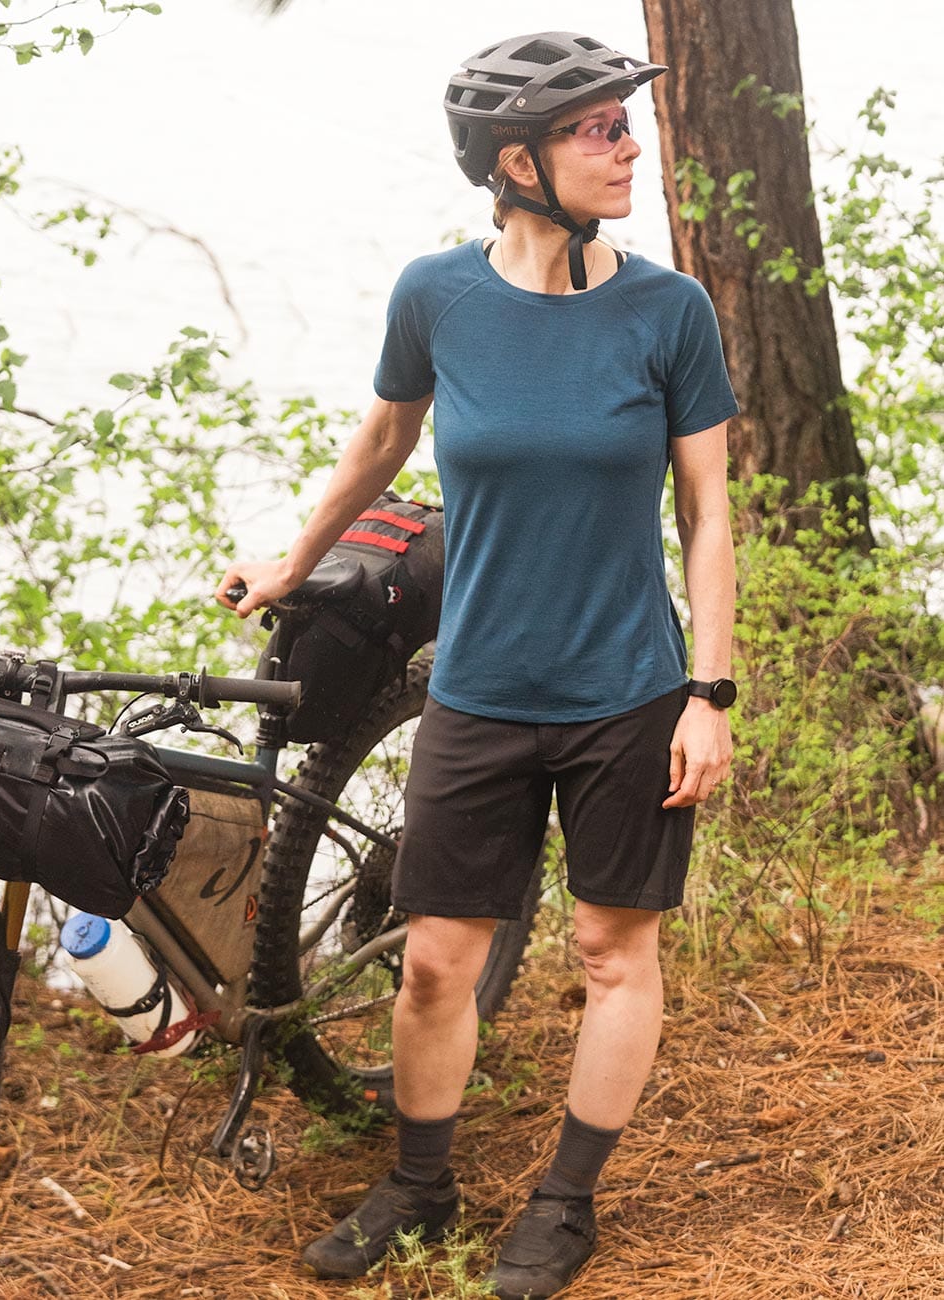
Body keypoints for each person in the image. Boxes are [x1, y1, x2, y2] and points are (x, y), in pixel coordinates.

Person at [217, 30, 738, 1300]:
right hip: (479, 689)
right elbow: (382, 441)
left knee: (613, 952)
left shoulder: (669, 311)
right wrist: (294, 560)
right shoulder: (437, 297)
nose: (629, 147)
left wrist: (709, 695)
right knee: (436, 961)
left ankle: (565, 1202)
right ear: (517, 162)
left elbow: (708, 514)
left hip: (627, 693)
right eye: (598, 129)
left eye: (624, 123)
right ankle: (419, 1182)